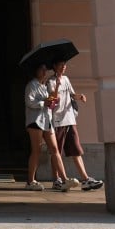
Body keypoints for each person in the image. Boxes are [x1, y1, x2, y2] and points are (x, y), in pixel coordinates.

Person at [48, 59, 104, 191]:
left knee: (76, 150)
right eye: (61, 64)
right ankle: (56, 180)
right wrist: (57, 86)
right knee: (56, 152)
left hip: (70, 119)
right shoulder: (50, 81)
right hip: (57, 120)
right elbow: (52, 101)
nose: (64, 67)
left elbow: (71, 94)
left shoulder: (66, 79)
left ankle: (85, 179)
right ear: (55, 66)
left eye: (65, 64)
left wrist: (79, 96)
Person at [24, 63, 79, 192]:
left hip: (47, 121)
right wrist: (44, 102)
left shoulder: (44, 86)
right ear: (35, 71)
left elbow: (50, 101)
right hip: (35, 121)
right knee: (36, 150)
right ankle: (30, 181)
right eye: (41, 70)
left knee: (55, 149)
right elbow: (29, 102)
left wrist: (54, 96)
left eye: (45, 70)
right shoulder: (31, 85)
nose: (44, 72)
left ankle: (64, 179)